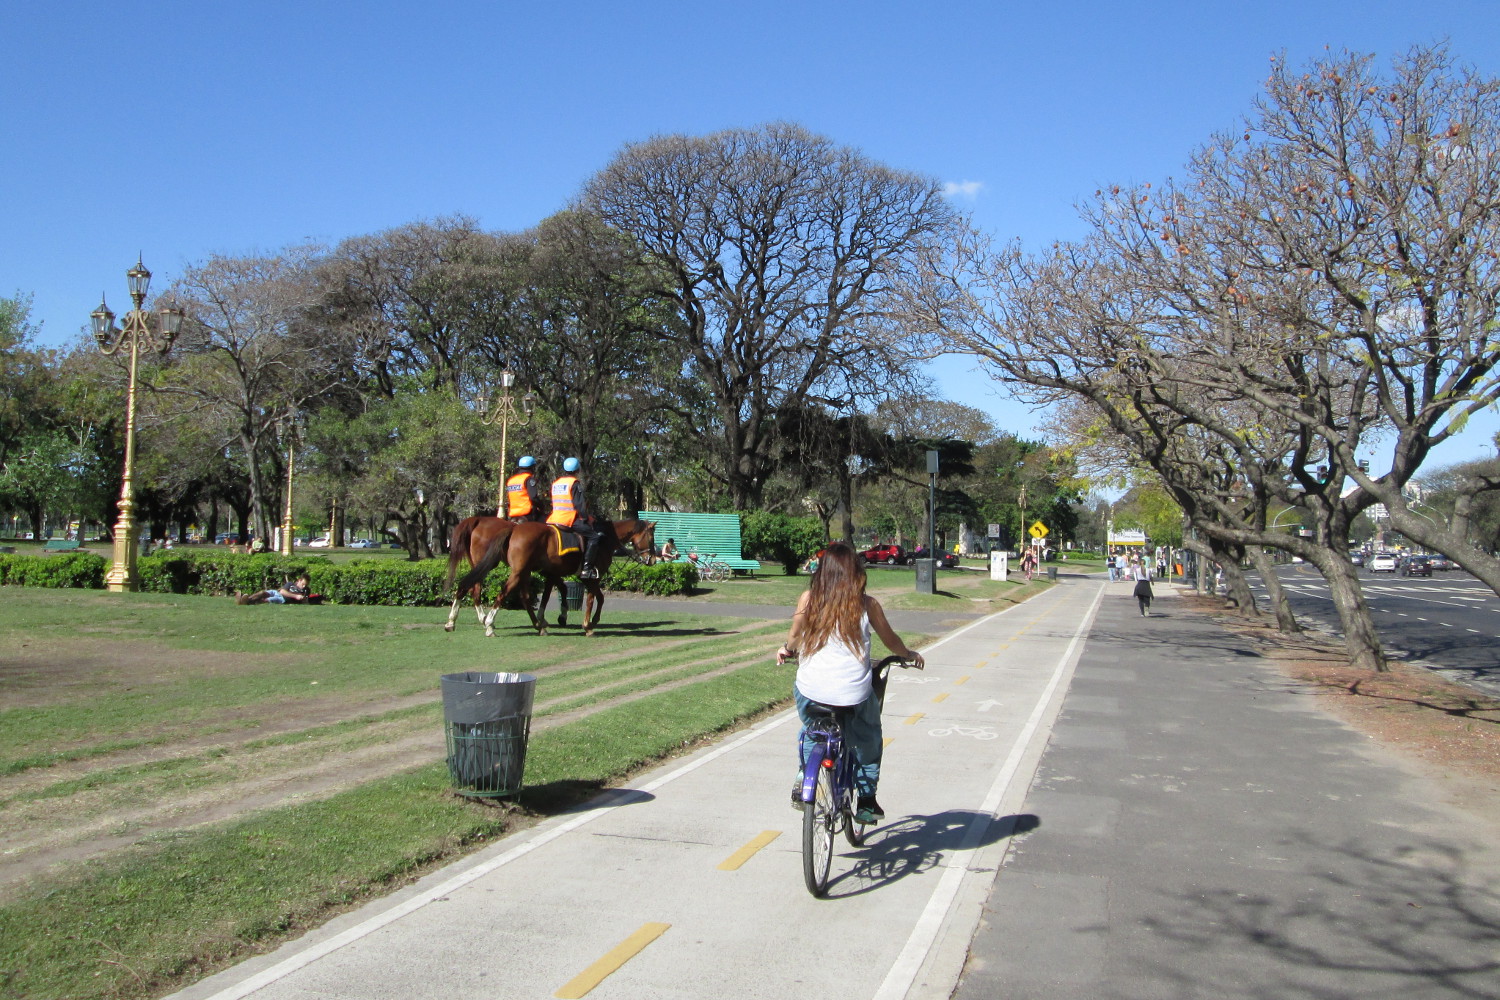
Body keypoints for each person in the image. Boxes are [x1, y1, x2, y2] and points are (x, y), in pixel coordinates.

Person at [775, 542, 925, 825]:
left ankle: (803, 774)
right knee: (868, 739)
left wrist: (787, 650)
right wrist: (908, 654)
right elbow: (891, 641)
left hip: (811, 690)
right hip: (853, 694)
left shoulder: (808, 599)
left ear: (822, 572)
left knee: (813, 730)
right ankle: (866, 801)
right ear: (856, 572)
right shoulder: (867, 604)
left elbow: (794, 636)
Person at [546, 457, 606, 580]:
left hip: (553, 518)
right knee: (594, 537)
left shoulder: (556, 483)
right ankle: (586, 569)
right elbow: (579, 505)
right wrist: (586, 518)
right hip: (568, 519)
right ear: (577, 470)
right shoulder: (574, 483)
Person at [504, 456, 543, 522]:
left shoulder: (511, 480)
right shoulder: (528, 479)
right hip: (527, 513)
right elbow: (533, 497)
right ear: (532, 467)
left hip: (513, 514)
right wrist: (541, 506)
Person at [237, 573, 316, 605]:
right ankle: (246, 598)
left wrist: (304, 600)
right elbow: (282, 591)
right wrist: (295, 596)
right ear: (299, 580)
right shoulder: (290, 584)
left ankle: (246, 601)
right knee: (262, 593)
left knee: (267, 599)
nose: (304, 586)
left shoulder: (306, 590)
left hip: (283, 599)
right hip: (278, 593)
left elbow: (305, 603)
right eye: (303, 584)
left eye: (306, 585)